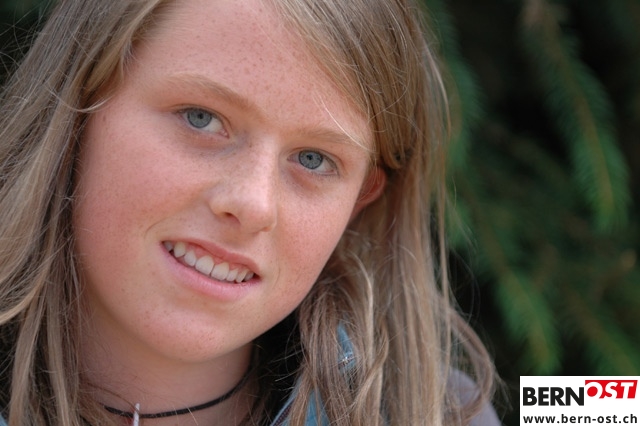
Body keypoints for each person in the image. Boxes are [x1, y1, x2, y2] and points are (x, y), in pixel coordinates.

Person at [0, 0, 500, 424]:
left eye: (313, 160)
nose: (252, 204)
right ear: (78, 105)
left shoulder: (439, 413)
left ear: (358, 200)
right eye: (201, 118)